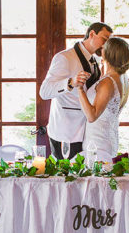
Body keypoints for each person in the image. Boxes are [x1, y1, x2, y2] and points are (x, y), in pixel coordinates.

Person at [40, 22, 113, 159]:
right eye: (104, 39)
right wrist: (70, 82)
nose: (106, 45)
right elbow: (44, 92)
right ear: (92, 34)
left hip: (87, 132)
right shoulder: (64, 58)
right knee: (66, 177)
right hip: (66, 132)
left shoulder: (94, 61)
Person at [75, 36, 129, 162]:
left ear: (108, 54)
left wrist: (80, 89)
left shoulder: (107, 82)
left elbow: (92, 116)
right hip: (107, 139)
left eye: (104, 48)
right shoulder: (122, 78)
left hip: (97, 143)